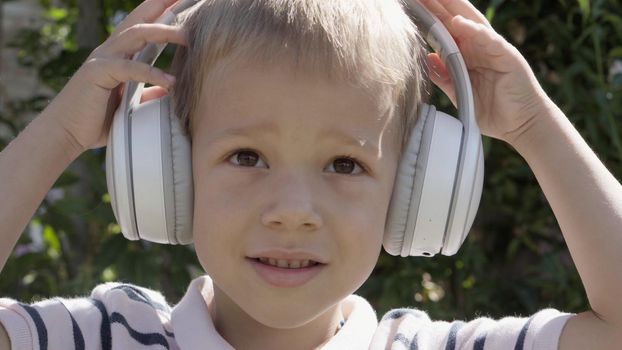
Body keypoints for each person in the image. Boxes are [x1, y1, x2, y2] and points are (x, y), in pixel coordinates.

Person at [0, 0, 620, 348]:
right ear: (166, 167)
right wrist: (61, 133)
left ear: (415, 187)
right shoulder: (107, 337)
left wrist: (534, 126)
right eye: (246, 156)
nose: (292, 209)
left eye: (345, 164)